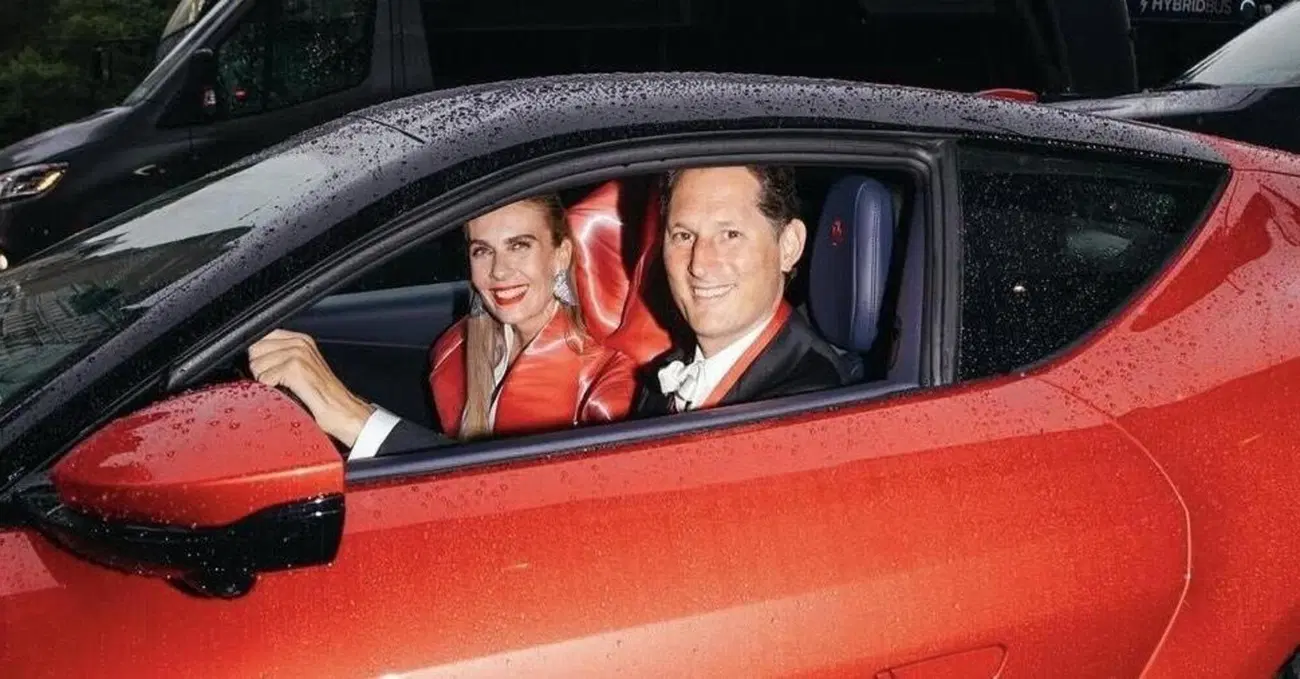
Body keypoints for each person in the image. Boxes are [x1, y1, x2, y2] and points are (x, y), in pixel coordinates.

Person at [247, 194, 638, 459]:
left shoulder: (605, 384)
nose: (499, 271)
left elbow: (511, 502)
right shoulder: (458, 350)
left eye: (519, 246)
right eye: (482, 251)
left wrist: (350, 416)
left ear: (561, 254)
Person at [631, 165, 861, 415]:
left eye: (730, 235)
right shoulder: (668, 372)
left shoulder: (808, 406)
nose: (699, 265)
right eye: (684, 236)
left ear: (789, 246)